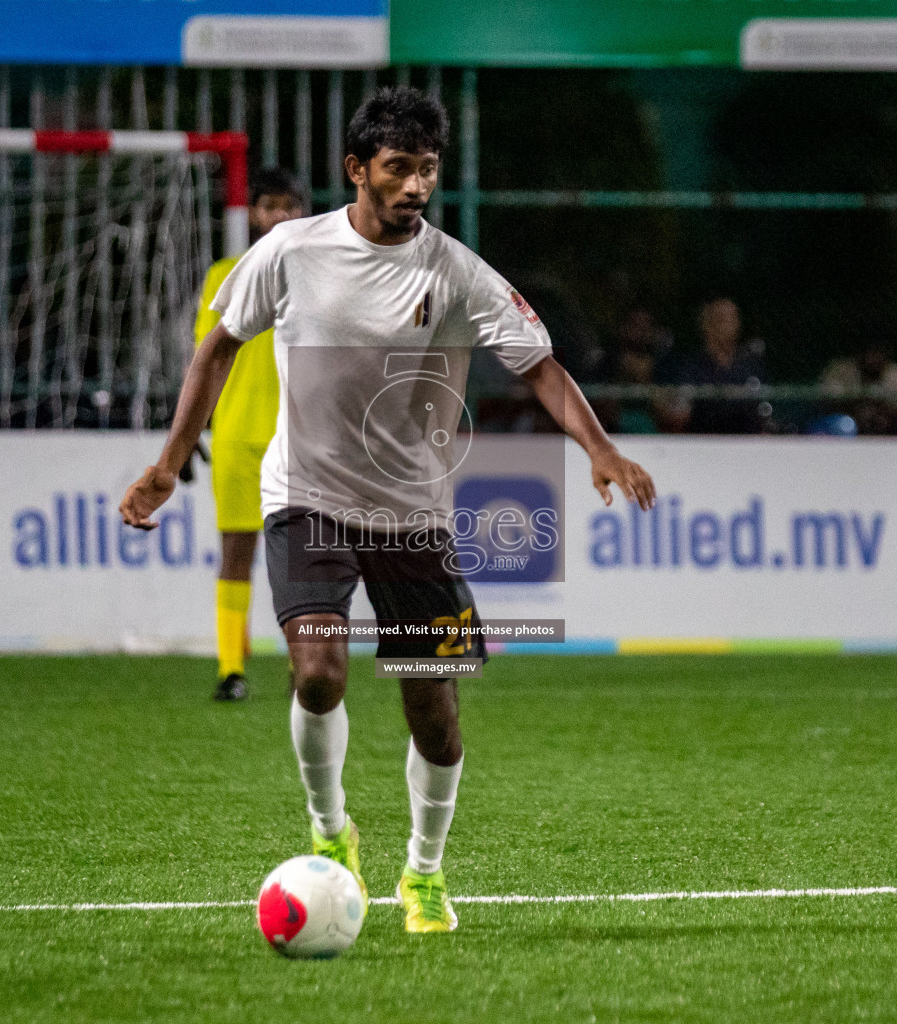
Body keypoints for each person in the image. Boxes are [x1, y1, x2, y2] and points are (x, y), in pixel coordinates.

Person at [120, 87, 655, 934]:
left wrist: (598, 446)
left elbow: (540, 364)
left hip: (413, 519)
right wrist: (166, 464)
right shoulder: (292, 251)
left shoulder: (456, 270)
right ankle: (331, 835)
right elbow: (215, 351)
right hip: (307, 500)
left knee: (433, 713)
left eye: (428, 169)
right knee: (317, 671)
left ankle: (424, 874)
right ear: (357, 169)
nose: (415, 186)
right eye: (398, 168)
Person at [194, 167, 309, 702]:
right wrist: (194, 423)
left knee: (302, 556)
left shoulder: (322, 272)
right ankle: (230, 669)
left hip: (302, 437)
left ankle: (304, 664)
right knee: (236, 550)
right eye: (269, 205)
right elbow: (206, 358)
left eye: (290, 205)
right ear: (252, 213)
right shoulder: (224, 274)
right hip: (238, 433)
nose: (280, 215)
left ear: (304, 212)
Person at [671, 296, 769, 434]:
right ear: (708, 325)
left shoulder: (750, 365)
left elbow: (763, 412)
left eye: (735, 318)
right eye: (724, 319)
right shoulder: (692, 366)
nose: (733, 324)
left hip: (747, 443)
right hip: (706, 443)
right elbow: (681, 414)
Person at [819, 340, 897, 435]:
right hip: (848, 422)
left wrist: (886, 412)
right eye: (869, 351)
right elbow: (826, 401)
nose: (872, 358)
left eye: (878, 352)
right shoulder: (840, 371)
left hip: (889, 425)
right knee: (840, 424)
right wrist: (856, 409)